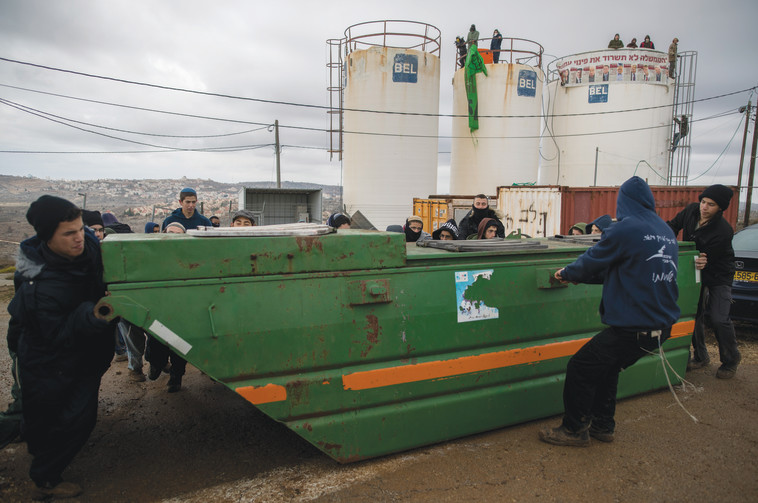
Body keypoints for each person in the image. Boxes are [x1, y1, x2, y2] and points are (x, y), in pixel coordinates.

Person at [540, 177, 680, 447]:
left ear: (623, 201)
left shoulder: (625, 228)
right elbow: (625, 270)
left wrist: (567, 274)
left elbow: (593, 259)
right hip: (661, 327)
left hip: (634, 328)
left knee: (580, 368)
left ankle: (574, 429)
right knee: (607, 368)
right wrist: (583, 278)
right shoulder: (664, 230)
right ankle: (603, 426)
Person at [8, 195, 115, 498]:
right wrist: (94, 312)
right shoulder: (36, 284)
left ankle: (40, 452)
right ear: (46, 237)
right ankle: (45, 480)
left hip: (84, 351)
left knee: (65, 416)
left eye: (81, 229)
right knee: (63, 417)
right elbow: (56, 333)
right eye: (69, 234)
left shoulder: (88, 244)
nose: (80, 238)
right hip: (50, 358)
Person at [667, 185, 740, 379]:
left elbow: (709, 258)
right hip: (694, 269)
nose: (704, 207)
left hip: (718, 274)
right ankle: (701, 356)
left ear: (720, 208)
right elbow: (671, 226)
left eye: (711, 204)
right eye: (703, 202)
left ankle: (731, 359)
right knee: (692, 313)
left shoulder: (724, 231)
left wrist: (702, 260)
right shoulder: (691, 211)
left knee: (718, 317)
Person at [145, 222, 188, 391]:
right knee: (157, 342)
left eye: (179, 234)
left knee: (181, 346)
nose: (173, 237)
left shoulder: (188, 258)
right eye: (170, 232)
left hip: (182, 311)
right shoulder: (154, 256)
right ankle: (156, 364)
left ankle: (176, 377)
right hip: (160, 310)